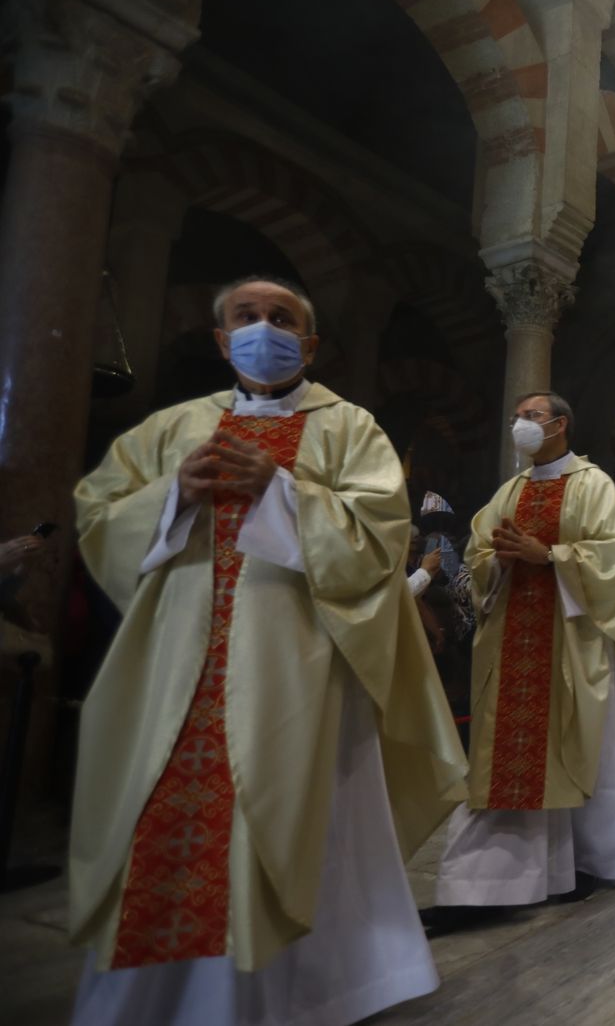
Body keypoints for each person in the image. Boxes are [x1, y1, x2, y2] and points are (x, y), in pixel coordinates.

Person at [69, 274, 467, 1026]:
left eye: (281, 318)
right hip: (179, 665)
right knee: (165, 816)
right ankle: (157, 998)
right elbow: (99, 514)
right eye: (245, 317)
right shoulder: (173, 430)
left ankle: (307, 995)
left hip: (304, 670)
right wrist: (171, 498)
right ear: (222, 340)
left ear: (309, 343)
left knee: (297, 817)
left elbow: (379, 537)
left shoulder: (350, 428)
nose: (263, 327)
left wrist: (283, 490)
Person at [428, 392, 615, 929]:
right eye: (516, 415)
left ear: (560, 424)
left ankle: (583, 863)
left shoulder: (593, 484)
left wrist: (552, 557)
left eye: (531, 416)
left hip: (574, 645)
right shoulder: (509, 492)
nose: (520, 423)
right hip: (514, 642)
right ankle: (488, 883)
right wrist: (502, 561)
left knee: (581, 752)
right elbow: (477, 555)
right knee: (503, 763)